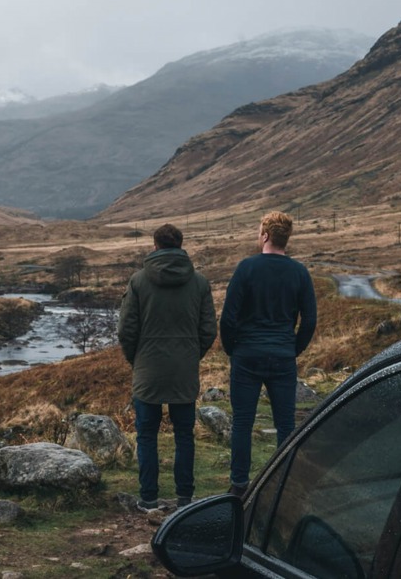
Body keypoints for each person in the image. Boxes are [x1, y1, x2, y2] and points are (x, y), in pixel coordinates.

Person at [117, 224, 217, 511]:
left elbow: (126, 330)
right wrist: (191, 355)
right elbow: (209, 328)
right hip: (184, 369)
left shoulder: (138, 281)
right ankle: (185, 499)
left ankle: (148, 498)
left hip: (147, 369)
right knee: (184, 434)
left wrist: (136, 360)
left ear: (155, 246)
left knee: (146, 434)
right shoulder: (199, 282)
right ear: (181, 245)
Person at [220, 211, 317, 496]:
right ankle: (282, 483)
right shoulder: (299, 272)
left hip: (247, 355)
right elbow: (309, 320)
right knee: (285, 423)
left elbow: (228, 318)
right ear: (286, 238)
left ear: (264, 235)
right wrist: (293, 348)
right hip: (282, 356)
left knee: (242, 422)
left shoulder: (246, 268)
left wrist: (232, 349)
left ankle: (239, 485)